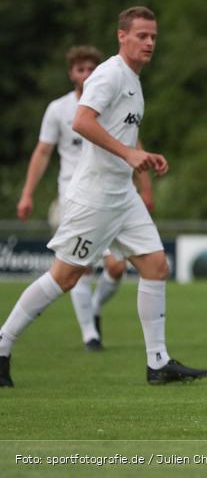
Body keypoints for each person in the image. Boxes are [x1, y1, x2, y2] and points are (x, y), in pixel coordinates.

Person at [0, 6, 207, 387]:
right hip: (95, 197)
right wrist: (129, 155)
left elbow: (122, 133)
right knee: (64, 277)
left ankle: (158, 362)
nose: (149, 42)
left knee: (155, 265)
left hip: (121, 195)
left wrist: (141, 157)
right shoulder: (110, 74)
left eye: (153, 37)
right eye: (142, 35)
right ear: (121, 37)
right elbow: (81, 121)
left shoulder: (132, 78)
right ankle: (2, 343)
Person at [16, 45, 155, 352]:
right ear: (71, 74)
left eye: (91, 68)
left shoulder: (114, 92)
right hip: (78, 196)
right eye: (80, 69)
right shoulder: (59, 109)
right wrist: (27, 193)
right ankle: (89, 333)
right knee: (74, 272)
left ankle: (96, 314)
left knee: (121, 268)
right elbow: (43, 152)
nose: (87, 74)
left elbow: (134, 142)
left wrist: (145, 188)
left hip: (117, 194)